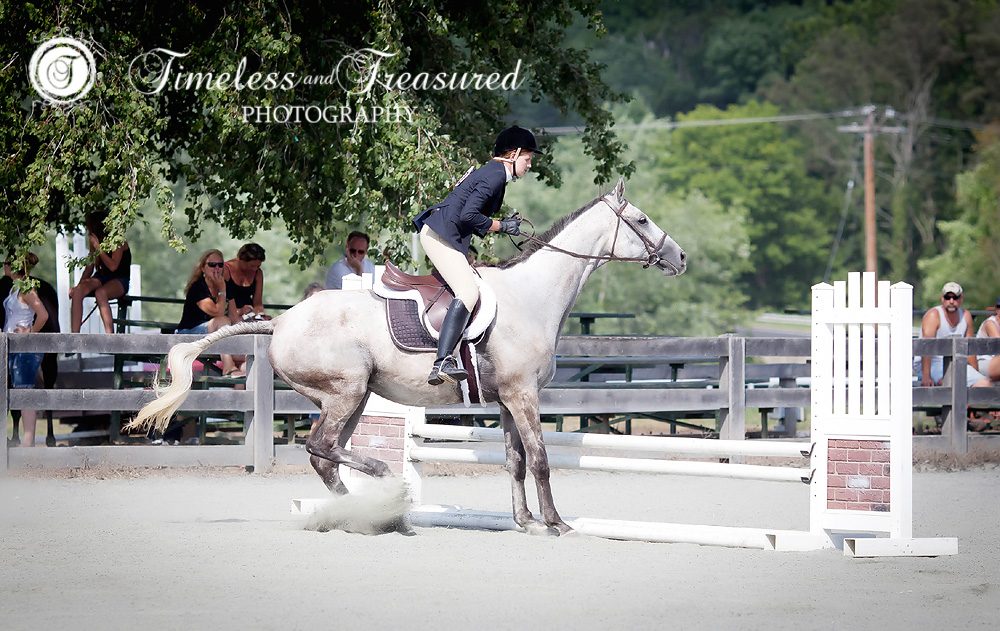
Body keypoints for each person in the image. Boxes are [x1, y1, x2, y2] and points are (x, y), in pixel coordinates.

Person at [411, 125, 538, 385]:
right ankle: (442, 361)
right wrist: (502, 226)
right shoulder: (494, 176)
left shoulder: (494, 173)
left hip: (444, 234)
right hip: (438, 236)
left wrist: (500, 224)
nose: (529, 165)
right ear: (513, 155)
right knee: (468, 293)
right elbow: (469, 215)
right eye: (528, 159)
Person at [916, 282, 991, 431]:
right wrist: (925, 376)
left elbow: (970, 350)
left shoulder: (966, 316)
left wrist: (974, 372)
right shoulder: (933, 315)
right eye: (948, 297)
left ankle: (964, 417)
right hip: (932, 362)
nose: (951, 301)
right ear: (942, 298)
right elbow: (926, 347)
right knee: (950, 383)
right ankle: (958, 420)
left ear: (961, 298)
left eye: (955, 297)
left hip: (957, 361)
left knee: (985, 387)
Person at [4, 253, 49, 447]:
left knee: (24, 394)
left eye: (6, 263)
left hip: (24, 349)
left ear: (13, 266)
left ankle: (28, 443)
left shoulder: (27, 289)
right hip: (13, 347)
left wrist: (28, 332)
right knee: (20, 393)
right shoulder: (16, 289)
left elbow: (43, 314)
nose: (4, 267)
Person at [69, 213, 131, 333]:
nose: (87, 229)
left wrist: (98, 248)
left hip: (119, 279)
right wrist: (79, 285)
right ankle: (74, 335)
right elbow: (90, 266)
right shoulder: (95, 239)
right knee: (77, 292)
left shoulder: (117, 240)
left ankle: (109, 336)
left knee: (100, 293)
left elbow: (113, 266)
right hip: (101, 277)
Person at [221, 243, 267, 377]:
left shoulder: (257, 273)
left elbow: (258, 302)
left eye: (258, 266)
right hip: (229, 313)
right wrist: (239, 311)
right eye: (252, 266)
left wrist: (259, 314)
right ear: (241, 260)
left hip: (247, 315)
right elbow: (223, 300)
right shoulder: (227, 269)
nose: (254, 269)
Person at [175, 250, 230, 335]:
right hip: (188, 332)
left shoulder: (226, 285)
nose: (217, 268)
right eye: (212, 265)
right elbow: (218, 313)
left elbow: (234, 317)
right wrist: (222, 289)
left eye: (220, 265)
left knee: (231, 322)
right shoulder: (198, 287)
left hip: (211, 332)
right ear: (203, 269)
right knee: (223, 321)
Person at [975, 295, 1000, 382]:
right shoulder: (990, 323)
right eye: (999, 307)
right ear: (996, 309)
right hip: (984, 362)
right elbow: (998, 344)